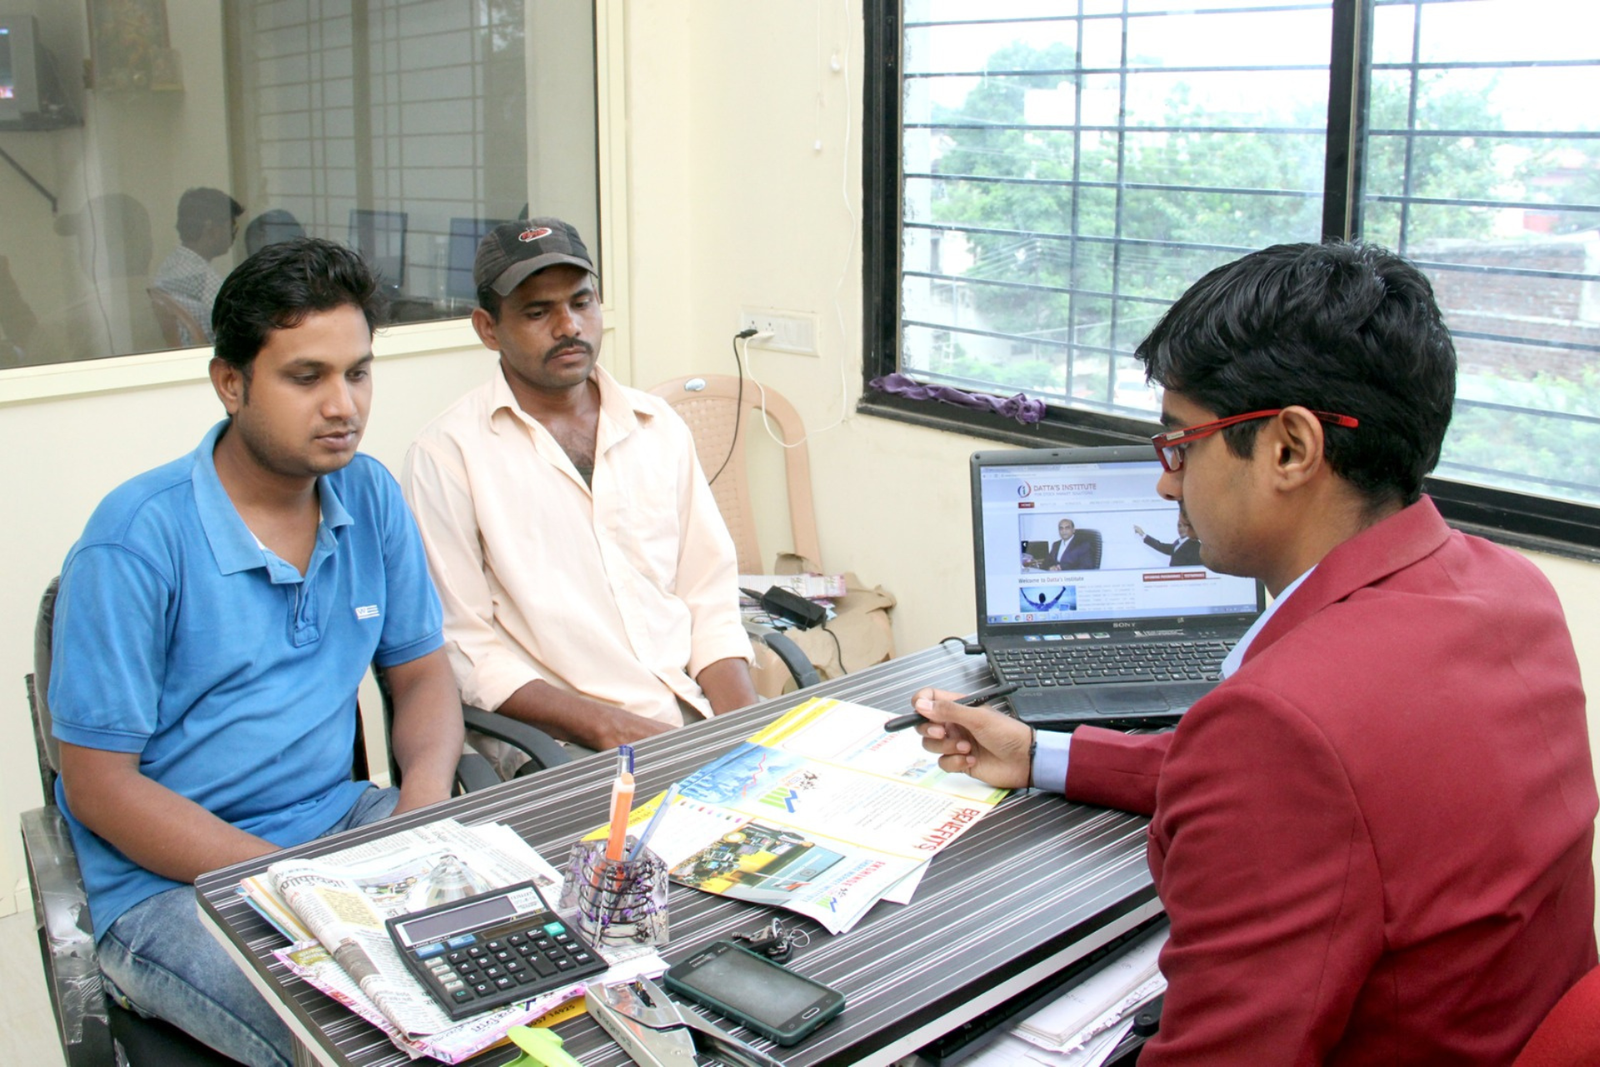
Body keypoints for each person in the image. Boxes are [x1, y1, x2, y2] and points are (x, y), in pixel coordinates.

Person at [912, 242, 1596, 1065]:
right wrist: (1039, 753)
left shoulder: (1287, 719)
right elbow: (1320, 783)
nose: (1166, 482)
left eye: (1182, 443)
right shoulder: (1511, 588)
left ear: (1290, 448)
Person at [49, 237, 464, 1067]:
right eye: (306, 377)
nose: (344, 405)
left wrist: (418, 812)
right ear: (230, 383)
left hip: (339, 824)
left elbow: (422, 675)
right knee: (370, 1036)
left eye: (358, 372)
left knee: (532, 958)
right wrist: (296, 878)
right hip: (171, 882)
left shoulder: (369, 493)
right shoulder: (136, 540)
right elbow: (97, 785)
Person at [402, 218, 756, 765]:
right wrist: (614, 728)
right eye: (537, 312)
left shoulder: (657, 426)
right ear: (488, 329)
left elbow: (707, 594)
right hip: (563, 745)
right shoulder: (447, 456)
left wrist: (746, 727)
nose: (568, 326)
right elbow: (465, 647)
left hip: (691, 716)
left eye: (581, 302)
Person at [153, 186, 244, 343]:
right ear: (211, 229)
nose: (234, 234)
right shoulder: (203, 277)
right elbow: (238, 330)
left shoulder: (171, 263)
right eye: (232, 227)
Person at [1134, 509, 1202, 566]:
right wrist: (1143, 534)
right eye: (1179, 526)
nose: (1181, 529)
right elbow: (1160, 546)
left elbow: (1197, 567)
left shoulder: (1196, 545)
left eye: (1185, 526)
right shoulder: (1177, 543)